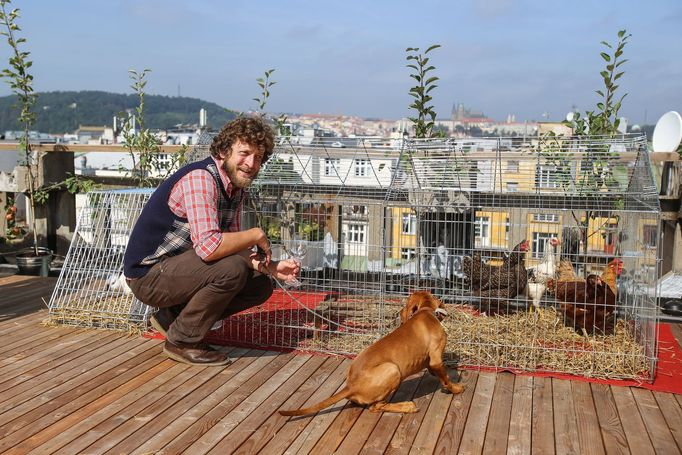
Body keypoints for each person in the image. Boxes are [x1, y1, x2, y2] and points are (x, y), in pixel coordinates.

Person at [123, 116, 299, 366]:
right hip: (147, 276)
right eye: (244, 153)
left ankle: (170, 317)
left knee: (259, 286)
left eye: (258, 157)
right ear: (225, 150)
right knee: (230, 270)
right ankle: (182, 341)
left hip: (178, 270)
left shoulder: (235, 188)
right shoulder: (201, 179)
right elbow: (209, 248)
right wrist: (256, 234)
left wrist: (272, 268)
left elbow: (235, 248)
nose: (251, 163)